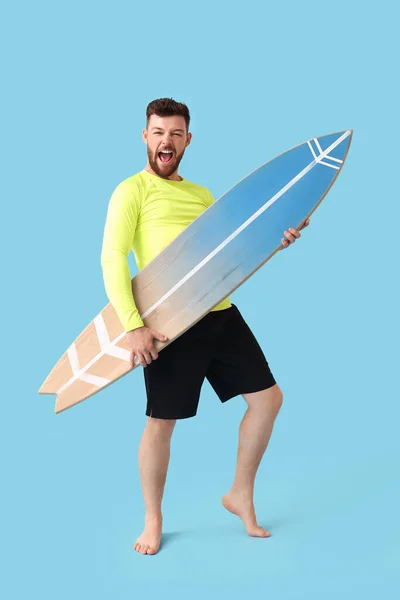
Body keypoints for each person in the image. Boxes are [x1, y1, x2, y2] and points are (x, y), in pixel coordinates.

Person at [100, 98, 310, 556]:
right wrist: (133, 325)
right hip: (168, 324)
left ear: (187, 140)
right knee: (161, 423)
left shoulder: (201, 195)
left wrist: (279, 239)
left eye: (175, 134)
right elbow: (113, 258)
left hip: (219, 311)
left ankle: (239, 494)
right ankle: (153, 519)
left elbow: (230, 253)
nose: (166, 141)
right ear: (145, 137)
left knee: (268, 400)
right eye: (158, 132)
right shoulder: (131, 191)